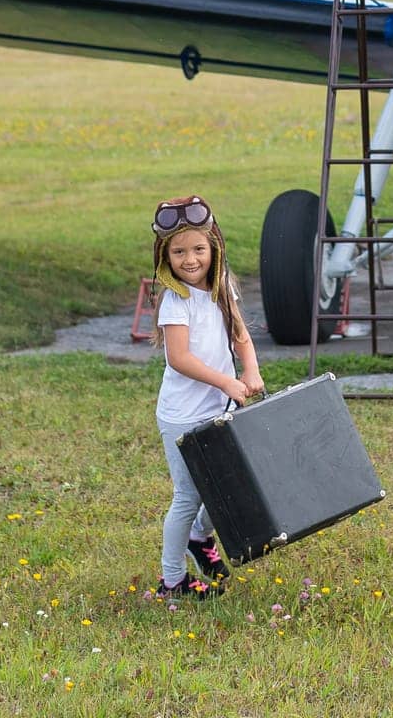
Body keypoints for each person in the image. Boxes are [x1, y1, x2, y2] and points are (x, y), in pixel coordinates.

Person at [150, 194, 264, 600]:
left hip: (220, 407)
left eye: (199, 249)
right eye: (179, 252)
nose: (190, 259)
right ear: (165, 256)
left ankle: (200, 539)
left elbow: (241, 337)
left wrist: (249, 370)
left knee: (221, 485)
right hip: (183, 415)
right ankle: (172, 580)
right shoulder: (174, 299)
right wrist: (225, 381)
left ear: (214, 248)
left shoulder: (221, 289)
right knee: (188, 494)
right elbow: (179, 358)